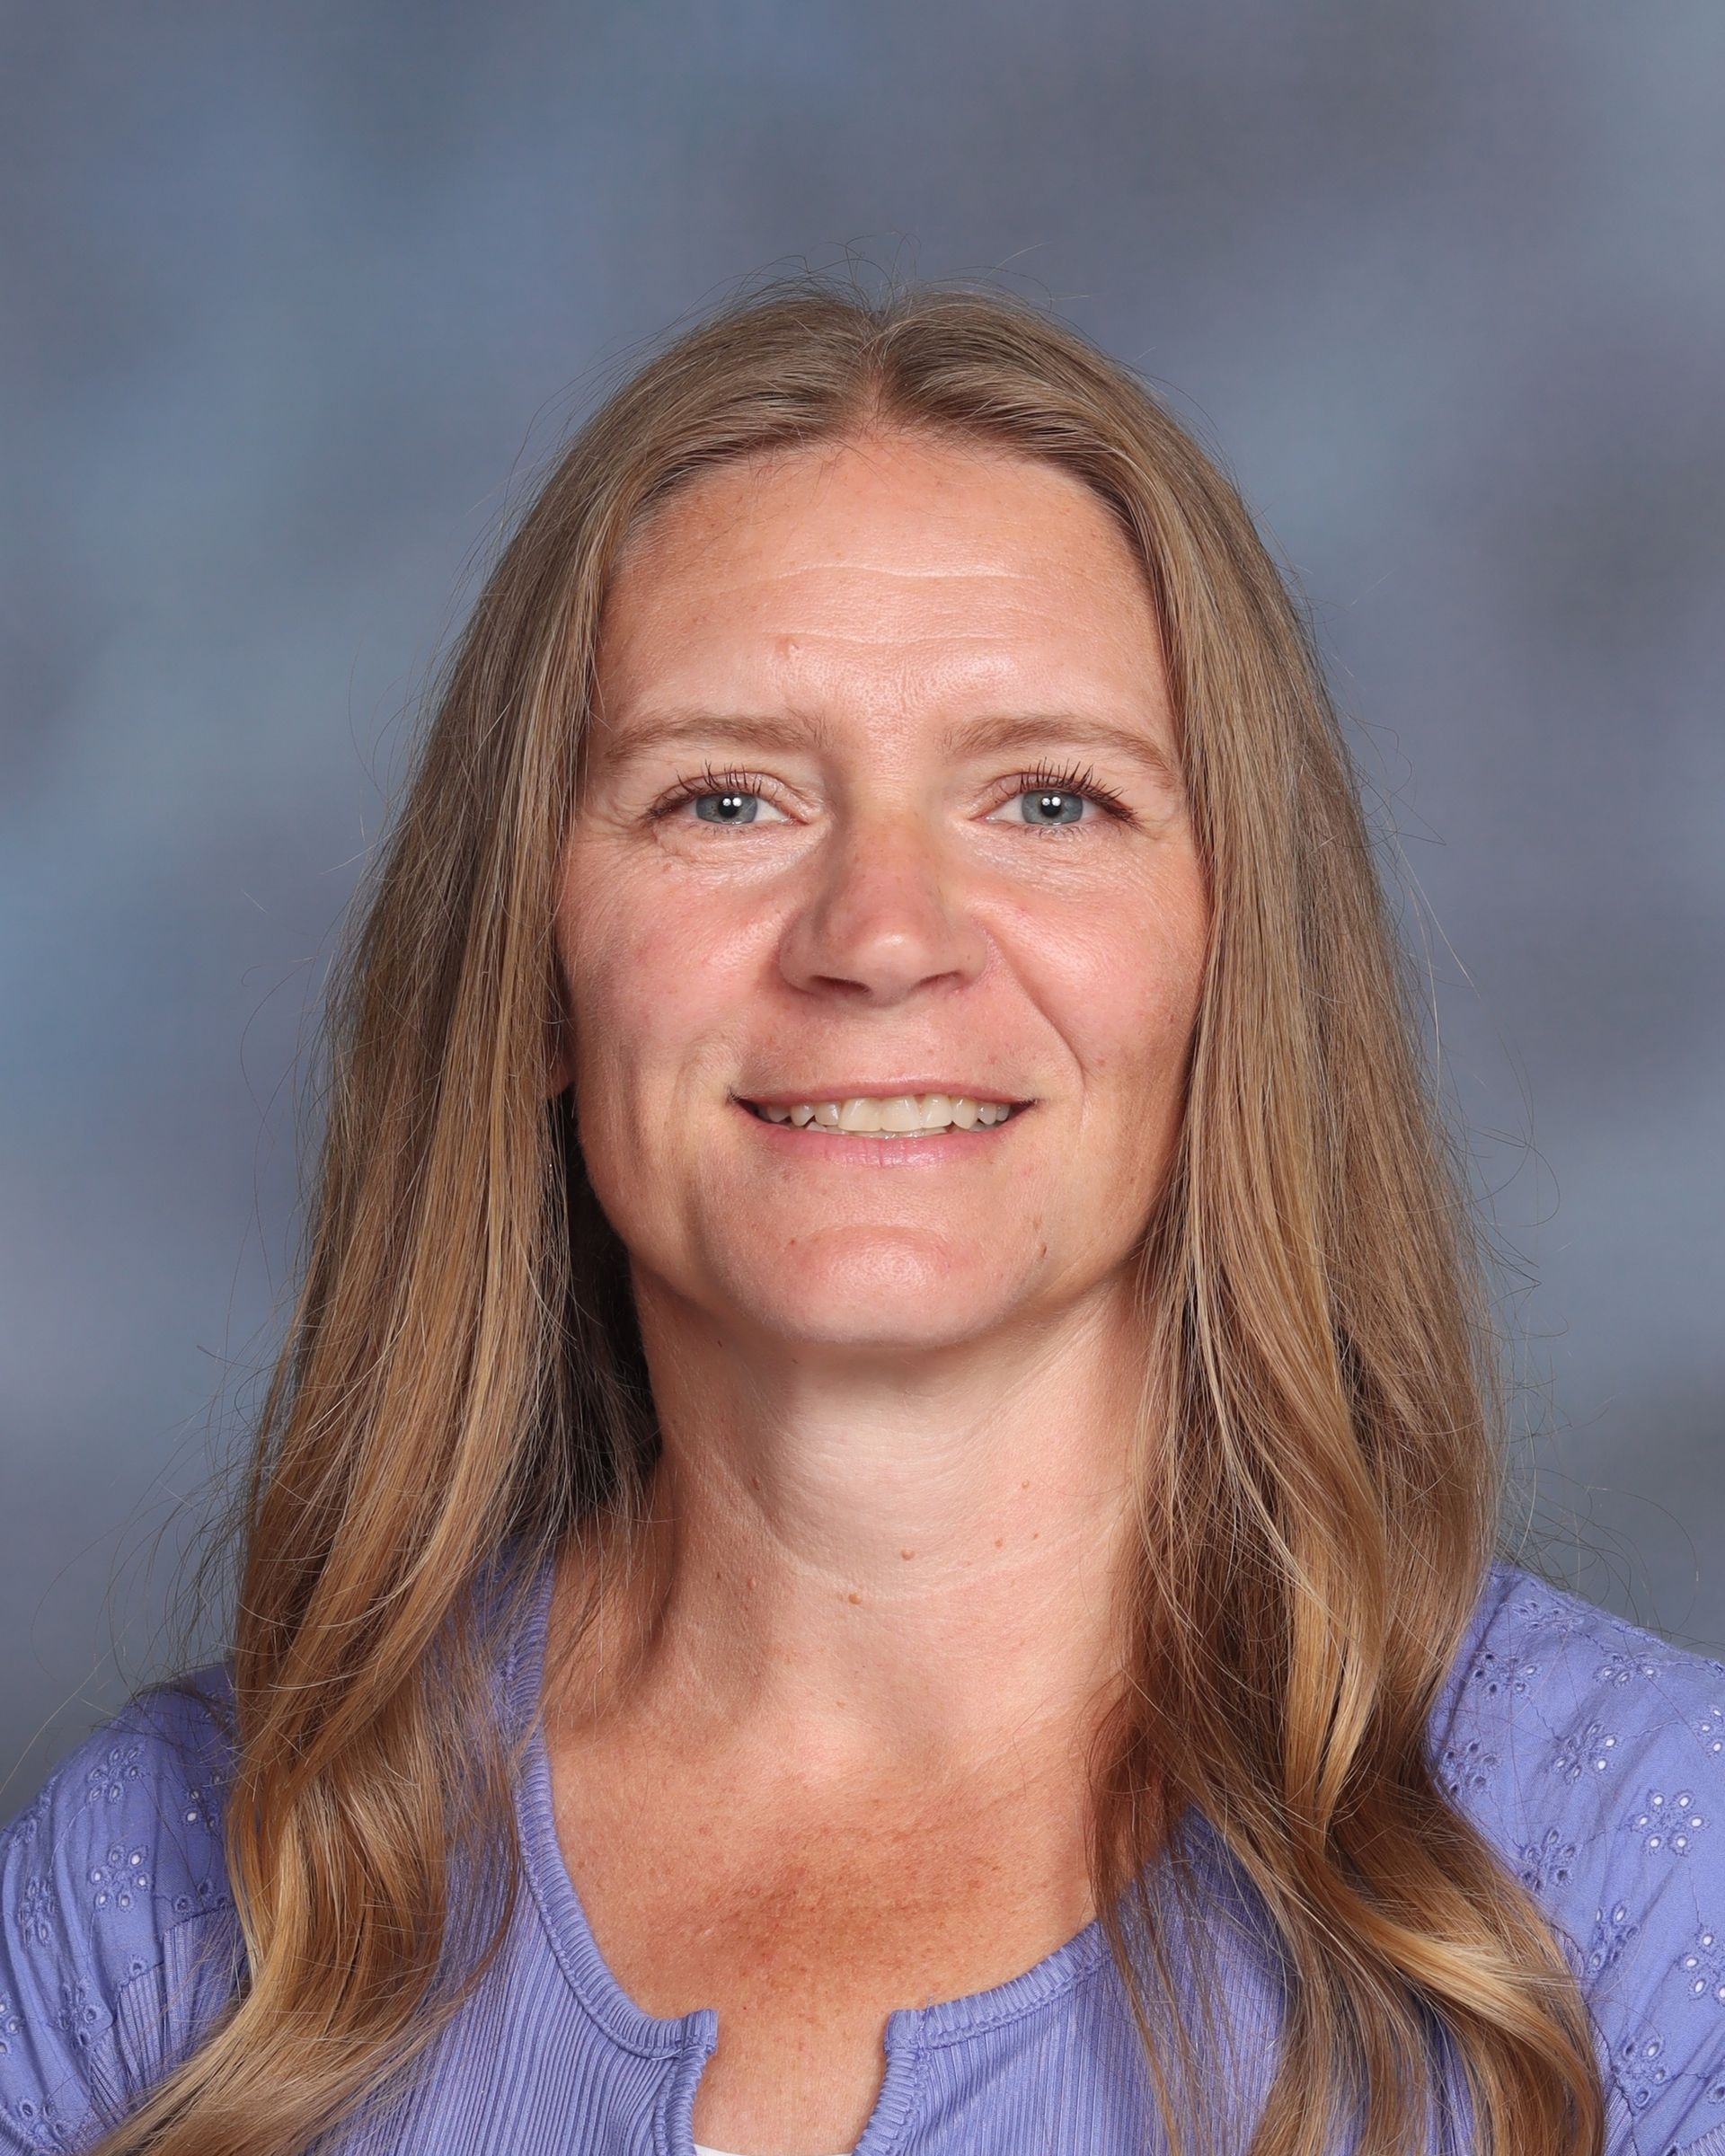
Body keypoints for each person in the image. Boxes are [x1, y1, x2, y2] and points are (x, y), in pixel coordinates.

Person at [3, 275, 1721, 2156]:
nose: (881, 938)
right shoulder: (160, 1899)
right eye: (724, 798)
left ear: (1232, 961)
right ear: (540, 976)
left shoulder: (1641, 1890)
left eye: (1050, 801)